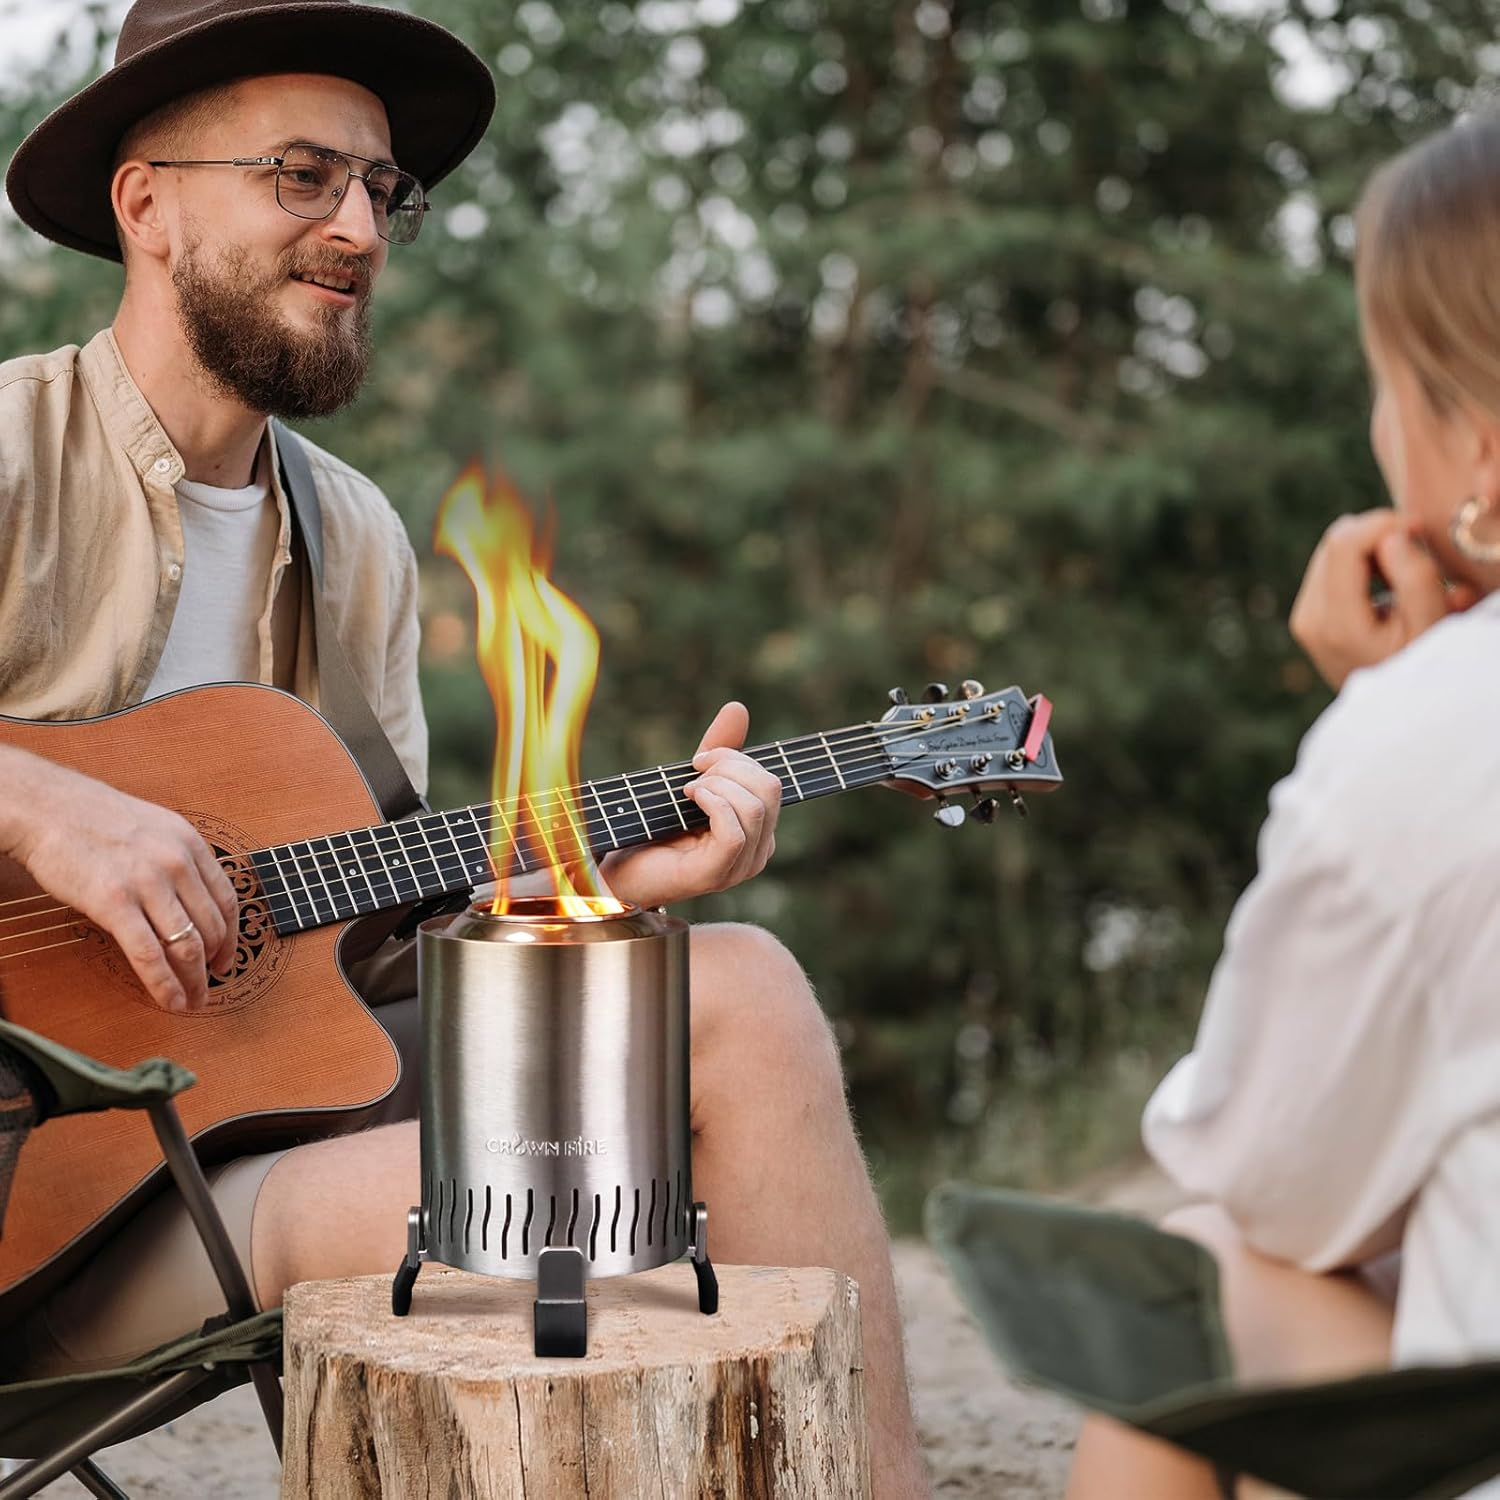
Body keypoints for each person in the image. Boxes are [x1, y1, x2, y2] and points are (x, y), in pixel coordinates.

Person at [0, 1, 929, 1493]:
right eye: (303, 175)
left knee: (738, 990)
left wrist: (590, 883)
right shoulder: (7, 456)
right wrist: (42, 804)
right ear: (147, 201)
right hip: (36, 1207)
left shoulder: (355, 537)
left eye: (381, 189)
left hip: (244, 1152)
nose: (359, 228)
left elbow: (364, 963)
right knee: (562, 1204)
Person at [1066, 113, 1500, 1500]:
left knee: (1189, 1284)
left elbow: (1265, 1175)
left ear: (1477, 454)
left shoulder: (1437, 730)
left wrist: (1378, 710)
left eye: (1384, 384)